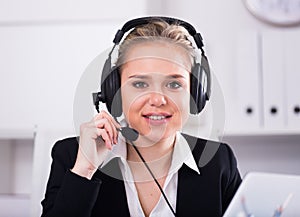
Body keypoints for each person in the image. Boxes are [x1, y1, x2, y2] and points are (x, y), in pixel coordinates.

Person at [41, 16, 241, 217]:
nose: (157, 100)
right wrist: (85, 170)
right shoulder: (72, 156)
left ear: (195, 93)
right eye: (140, 84)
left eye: (174, 84)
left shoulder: (219, 162)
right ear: (114, 91)